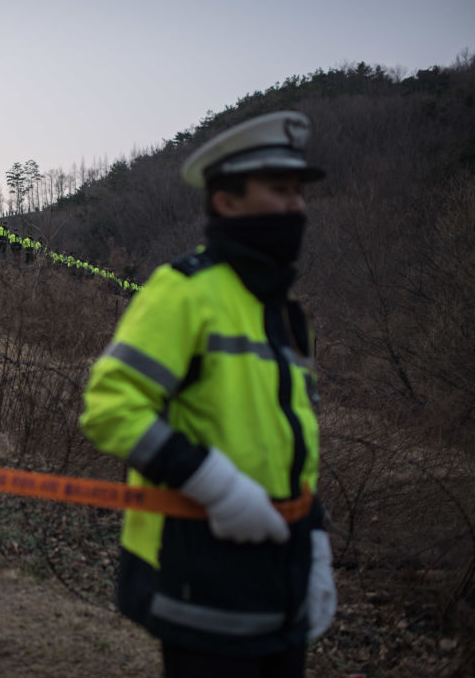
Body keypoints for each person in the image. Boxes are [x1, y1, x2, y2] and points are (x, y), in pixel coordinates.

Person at [79, 111, 335, 677]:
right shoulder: (183, 291)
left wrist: (314, 539)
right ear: (227, 201)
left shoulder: (288, 315)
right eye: (280, 190)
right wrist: (214, 485)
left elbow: (295, 440)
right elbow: (110, 407)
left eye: (299, 193)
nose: (298, 207)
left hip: (284, 572)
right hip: (202, 570)